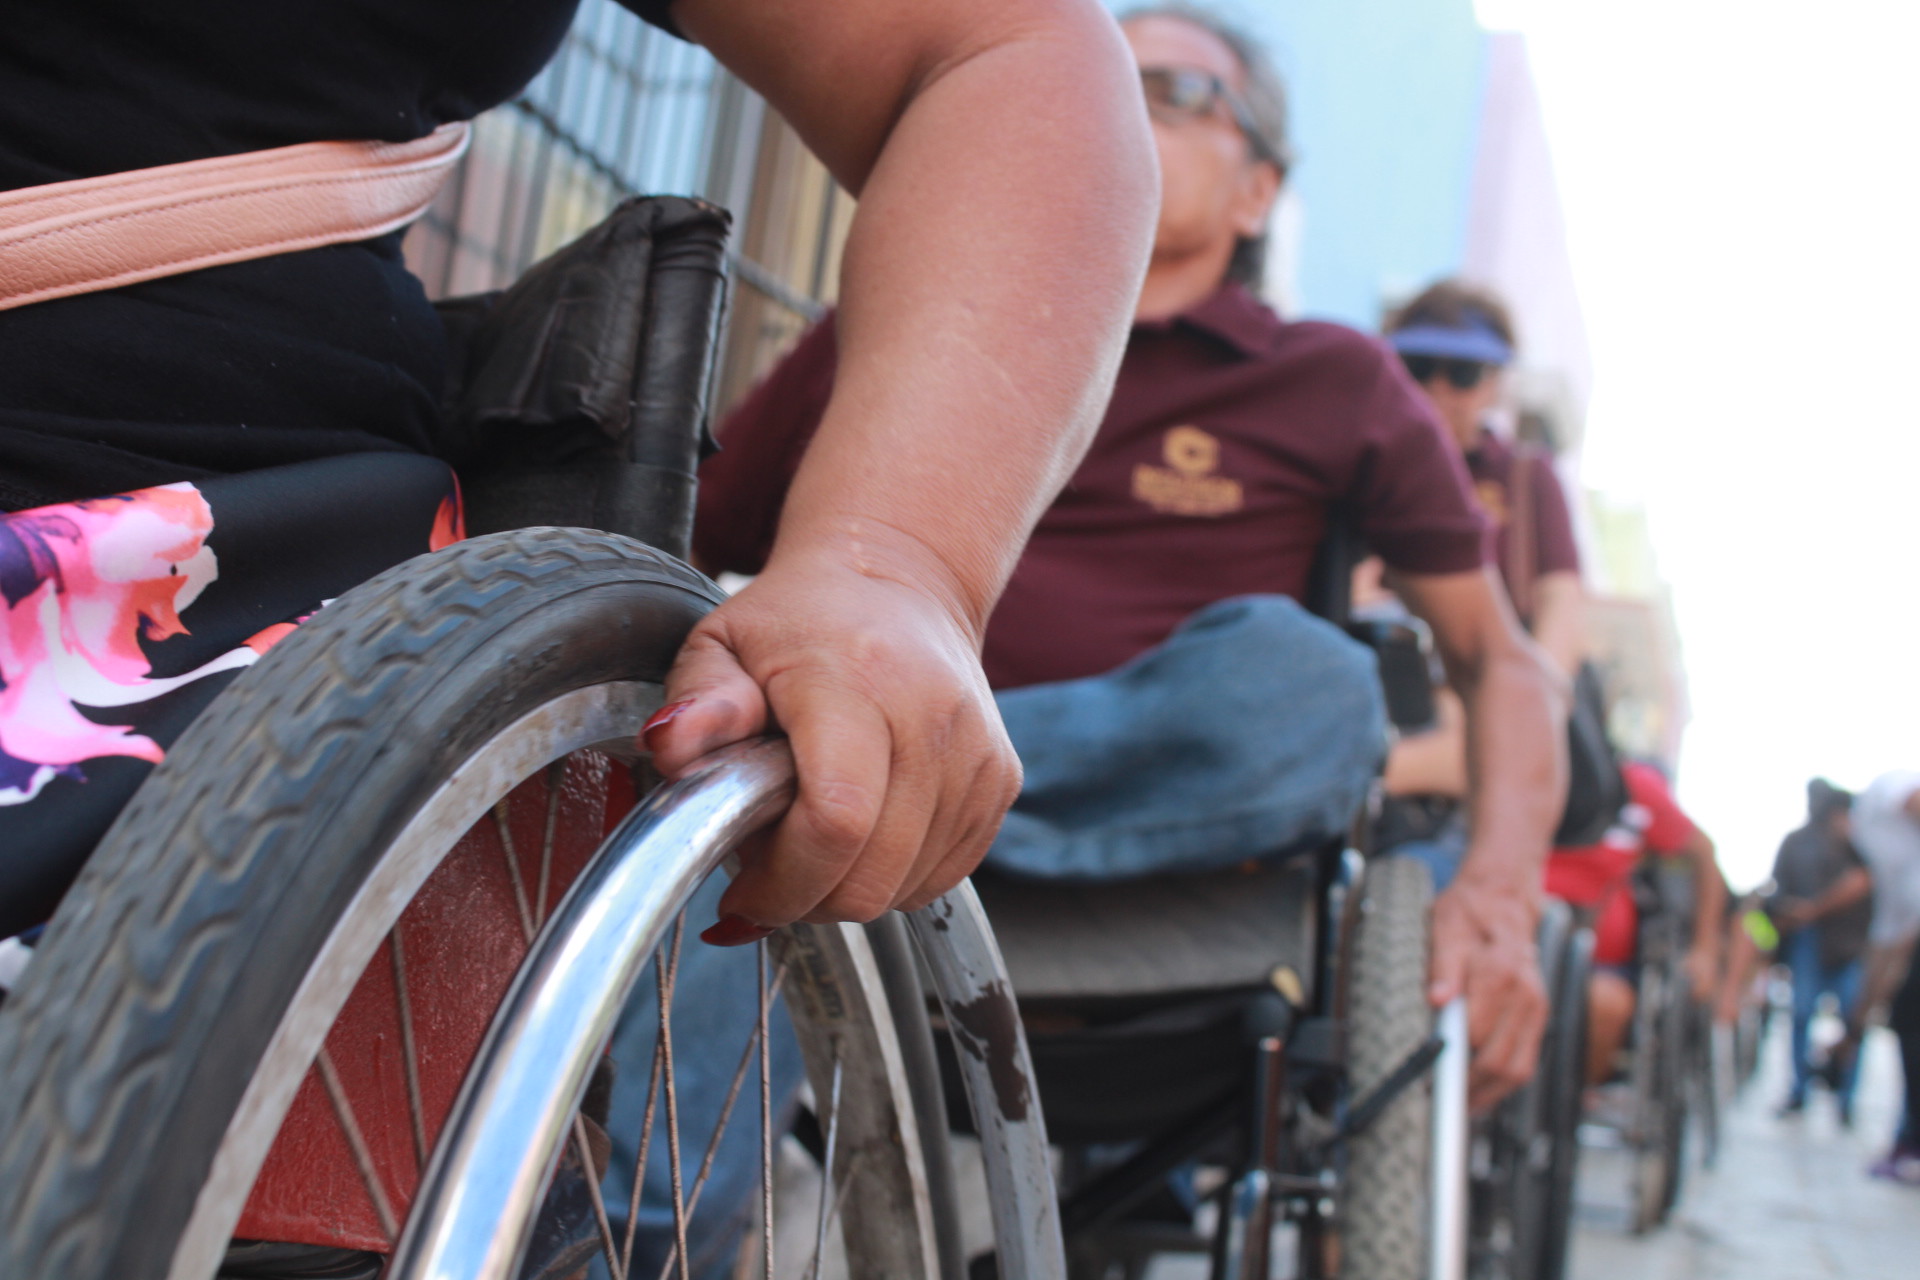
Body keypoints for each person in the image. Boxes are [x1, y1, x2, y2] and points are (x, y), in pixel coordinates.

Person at [0, 0, 1157, 944]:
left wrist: (897, 564)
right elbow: (732, 525)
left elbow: (998, 46)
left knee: (1282, 675)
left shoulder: (1315, 380)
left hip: (145, 549)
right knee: (734, 737)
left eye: (1202, 97)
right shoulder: (821, 367)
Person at [693, 3, 1564, 1110]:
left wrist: (1496, 894)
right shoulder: (895, 314)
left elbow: (1503, 659)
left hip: (1150, 797)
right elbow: (688, 540)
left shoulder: (1332, 378)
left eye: (1176, 91)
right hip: (859, 764)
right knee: (739, 732)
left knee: (1312, 678)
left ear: (1258, 189)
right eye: (1107, 69)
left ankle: (910, 761)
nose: (1114, 99)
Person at [1542, 759, 1724, 1085]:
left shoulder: (1632, 784)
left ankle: (1574, 1095)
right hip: (1523, 932)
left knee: (1606, 1005)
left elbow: (1702, 851)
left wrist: (1704, 948)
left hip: (1598, 959)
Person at [1768, 778, 1873, 1122]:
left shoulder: (1861, 846)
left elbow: (1863, 885)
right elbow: (1777, 890)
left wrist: (1813, 908)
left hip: (1852, 943)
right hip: (1808, 940)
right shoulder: (1797, 843)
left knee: (1852, 1020)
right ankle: (1799, 1090)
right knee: (1800, 1014)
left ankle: (1845, 1097)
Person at [1846, 770, 1920, 1185]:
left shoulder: (1873, 809)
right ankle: (1908, 1139)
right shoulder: (1890, 868)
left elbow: (1911, 796)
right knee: (1907, 1019)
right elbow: (1886, 948)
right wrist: (1859, 1020)